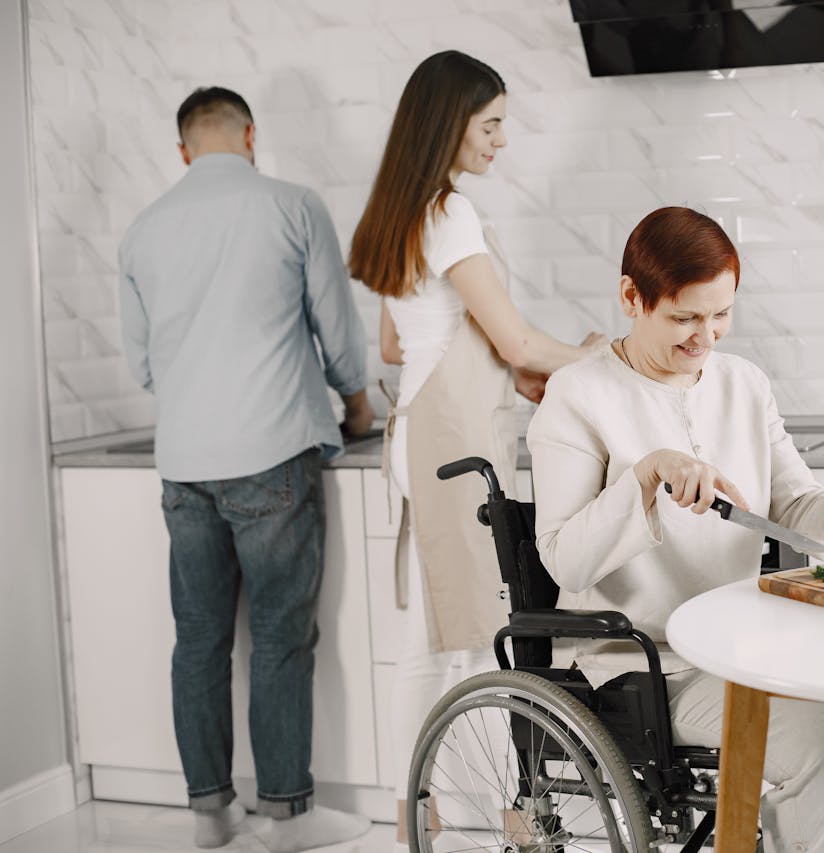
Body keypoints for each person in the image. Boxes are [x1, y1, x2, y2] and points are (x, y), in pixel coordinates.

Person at [525, 207, 824, 853]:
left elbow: (792, 499)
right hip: (649, 664)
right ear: (632, 297)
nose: (706, 336)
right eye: (685, 317)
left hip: (746, 645)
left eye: (722, 314)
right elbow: (567, 563)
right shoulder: (578, 396)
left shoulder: (743, 383)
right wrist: (646, 475)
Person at [346, 51, 604, 852]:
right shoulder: (449, 212)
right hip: (450, 438)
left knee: (435, 635)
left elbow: (396, 344)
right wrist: (608, 357)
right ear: (447, 124)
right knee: (483, 627)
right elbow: (514, 335)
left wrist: (513, 368)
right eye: (489, 123)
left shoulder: (401, 208)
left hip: (418, 432)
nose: (501, 139)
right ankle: (515, 817)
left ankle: (413, 811)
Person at [118, 87, 373, 852]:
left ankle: (211, 815)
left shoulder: (142, 230)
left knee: (197, 640)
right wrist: (357, 407)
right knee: (279, 635)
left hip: (184, 466)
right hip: (271, 453)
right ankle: (288, 815)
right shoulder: (293, 205)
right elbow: (339, 329)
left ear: (184, 149)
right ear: (251, 135)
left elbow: (142, 364)